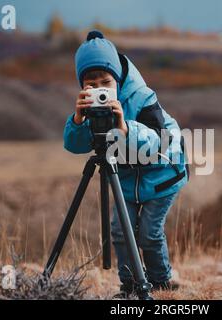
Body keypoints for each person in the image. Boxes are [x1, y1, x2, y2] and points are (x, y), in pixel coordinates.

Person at [63, 30, 189, 298]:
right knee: (120, 232)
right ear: (82, 84)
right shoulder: (89, 105)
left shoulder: (142, 98)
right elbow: (74, 145)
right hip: (128, 180)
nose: (100, 90)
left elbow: (159, 145)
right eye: (91, 84)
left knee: (149, 235)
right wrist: (77, 120)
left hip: (162, 175)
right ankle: (130, 287)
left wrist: (124, 127)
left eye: (106, 82)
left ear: (118, 78)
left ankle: (160, 283)